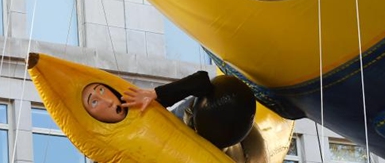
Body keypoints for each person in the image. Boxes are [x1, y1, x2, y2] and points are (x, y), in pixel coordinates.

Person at [81, 71, 256, 149]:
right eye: (94, 102)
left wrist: (155, 94)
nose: (105, 100)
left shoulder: (150, 110)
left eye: (102, 90)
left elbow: (202, 82)